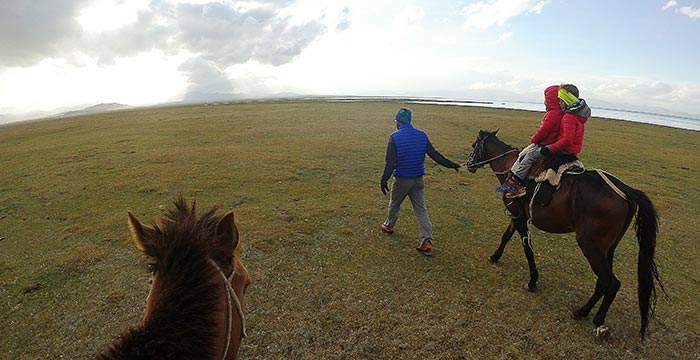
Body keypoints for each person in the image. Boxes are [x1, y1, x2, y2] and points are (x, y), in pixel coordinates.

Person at [380, 108, 461, 256]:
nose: (395, 122)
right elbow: (435, 155)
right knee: (420, 209)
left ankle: (389, 226)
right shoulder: (421, 135)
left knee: (395, 203)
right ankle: (426, 239)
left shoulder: (394, 137)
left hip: (402, 179)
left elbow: (390, 162)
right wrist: (452, 164)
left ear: (398, 121)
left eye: (395, 120)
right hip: (418, 179)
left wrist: (384, 179)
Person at [498, 84, 591, 197]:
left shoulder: (568, 117)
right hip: (571, 151)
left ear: (567, 100)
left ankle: (515, 183)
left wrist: (548, 148)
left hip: (562, 150)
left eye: (561, 100)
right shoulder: (577, 114)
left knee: (529, 156)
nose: (559, 102)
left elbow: (566, 140)